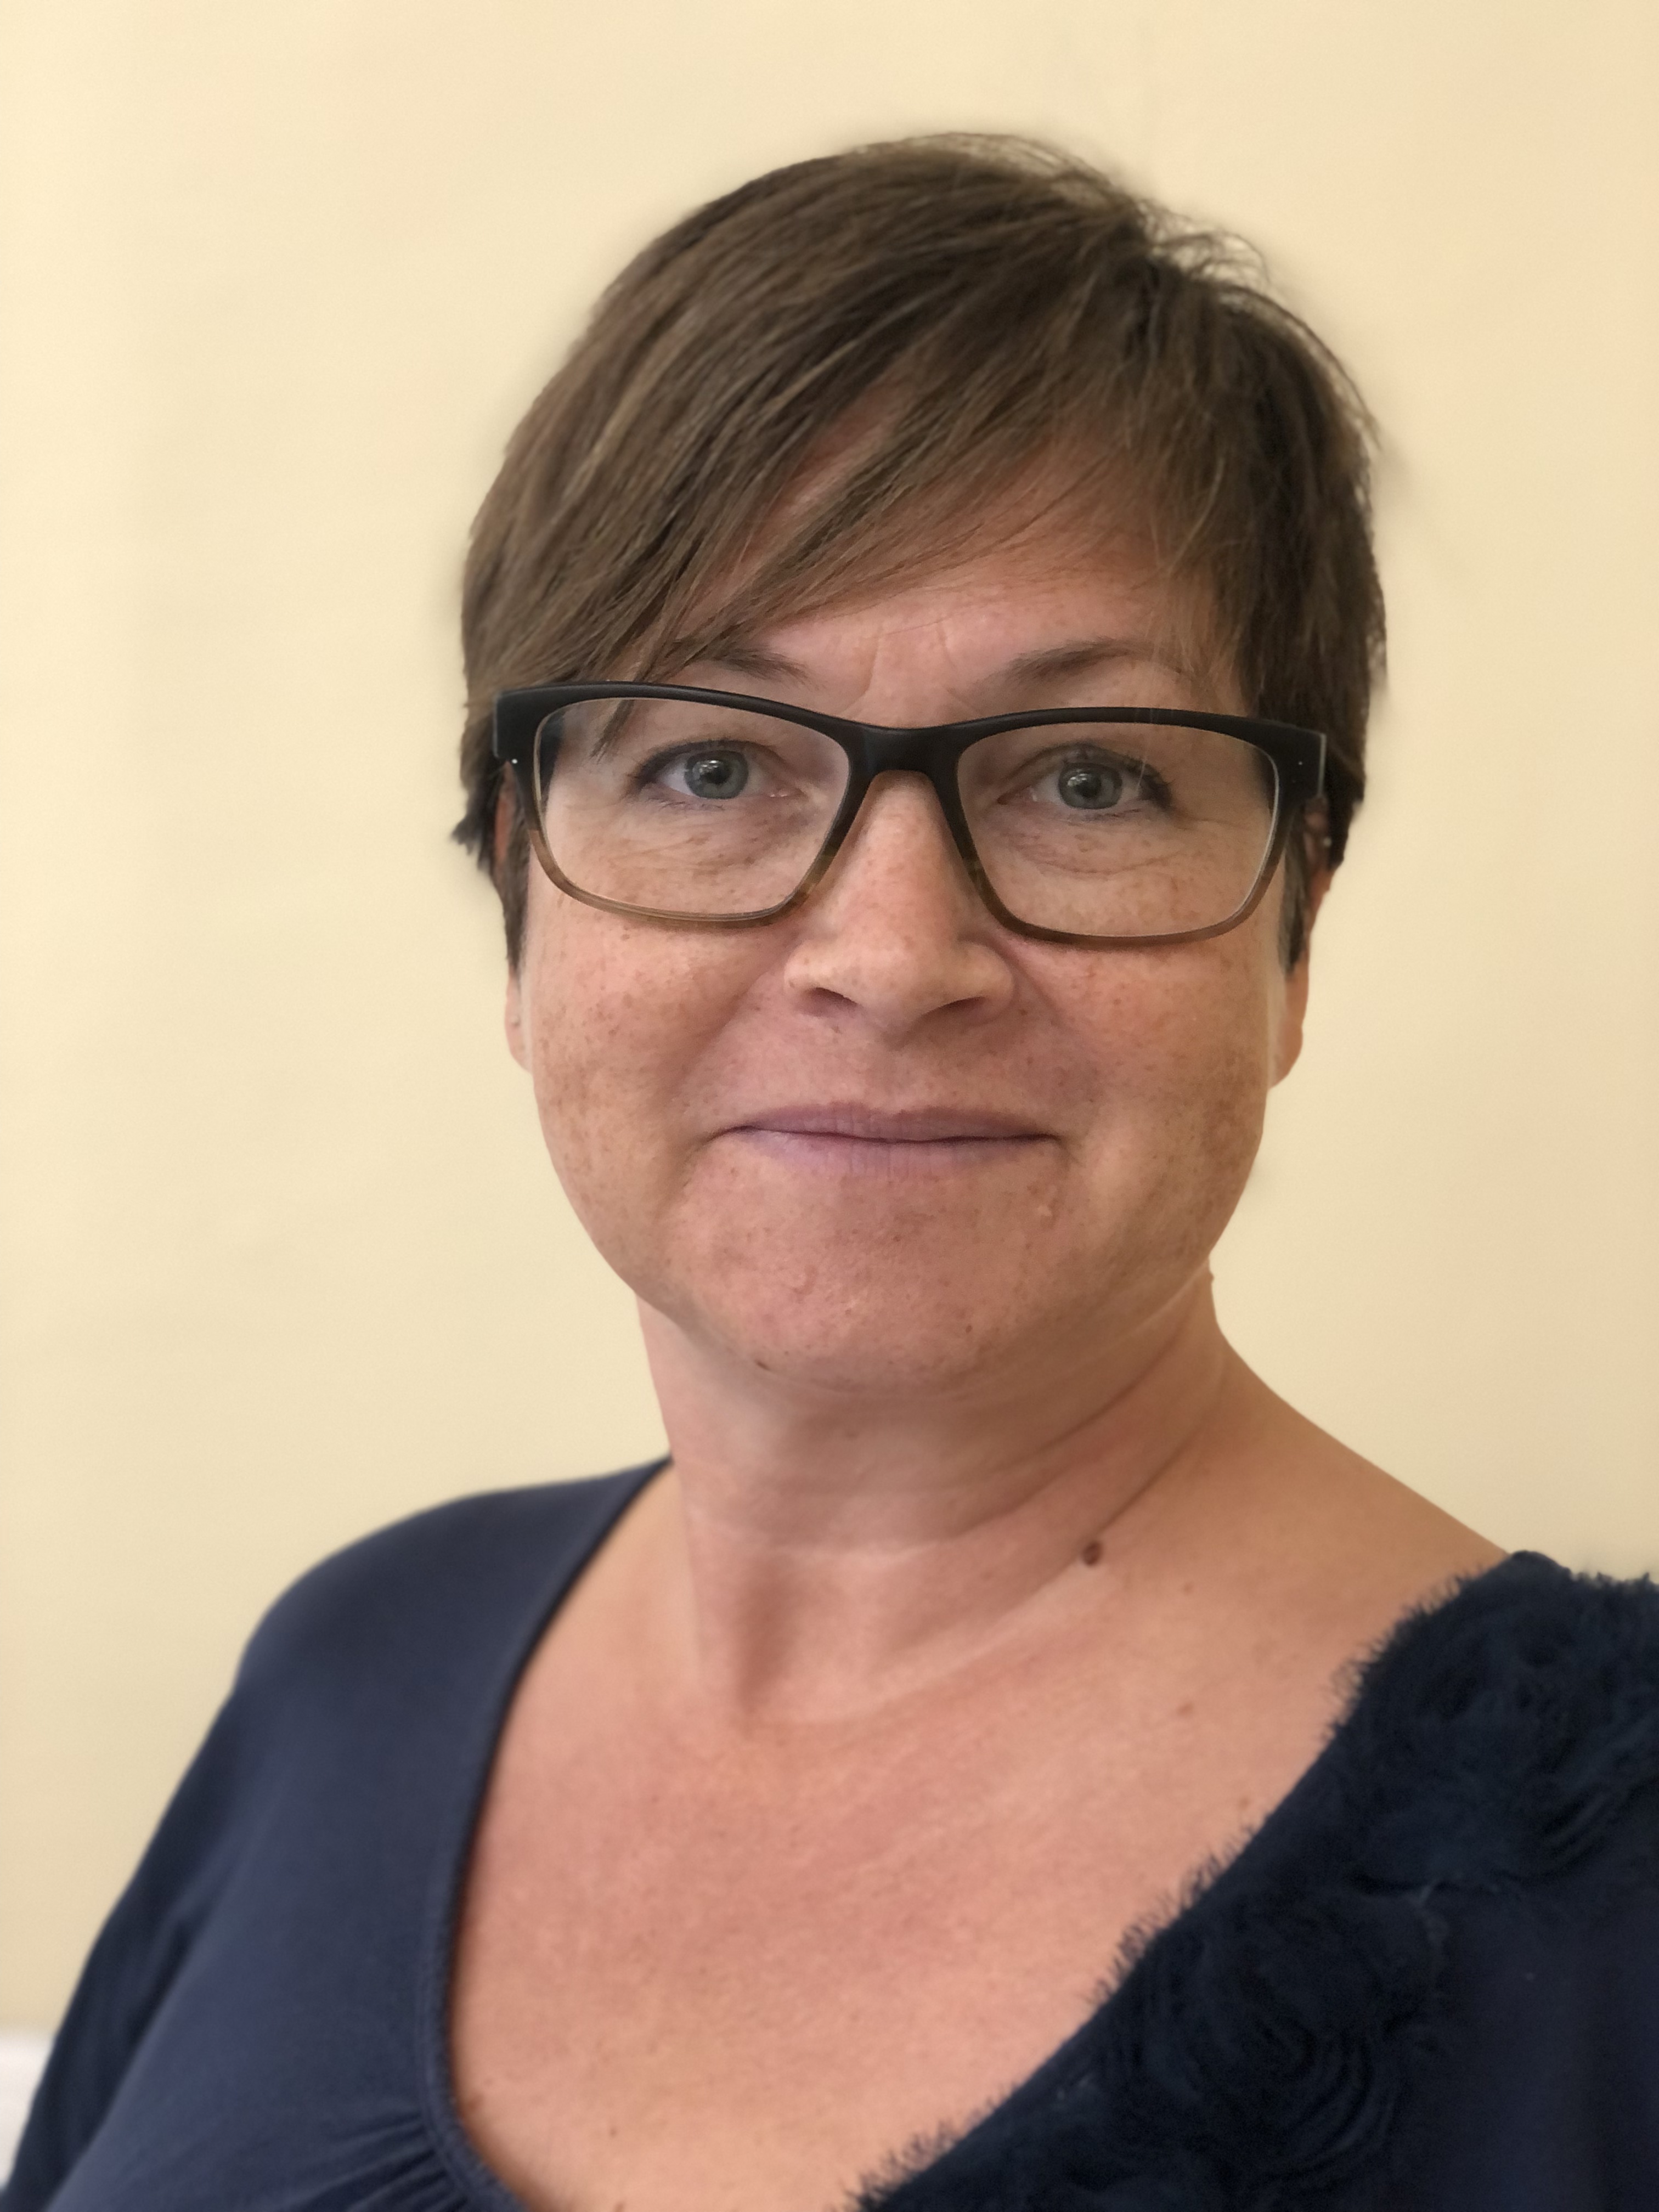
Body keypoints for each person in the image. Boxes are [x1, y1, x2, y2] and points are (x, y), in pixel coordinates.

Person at [10, 134, 1659, 2212]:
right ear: (520, 896)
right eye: (710, 763)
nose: (890, 958)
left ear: (1295, 929)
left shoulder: (1615, 1900)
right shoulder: (349, 1672)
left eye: (1089, 781)